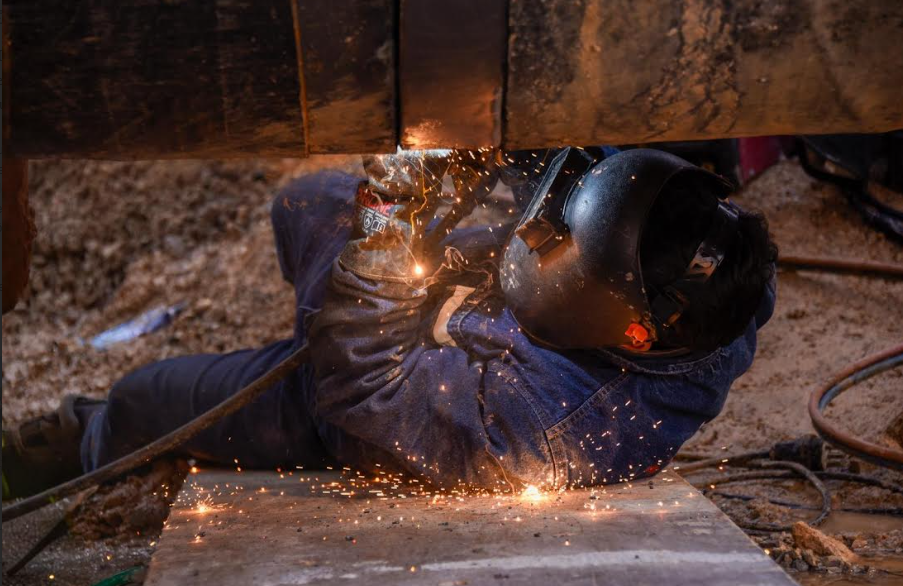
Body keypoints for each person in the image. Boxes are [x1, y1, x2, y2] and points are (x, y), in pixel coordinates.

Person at [2, 147, 777, 498]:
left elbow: (358, 383)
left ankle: (83, 439)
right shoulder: (722, 252)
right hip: (456, 321)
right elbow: (596, 171)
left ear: (630, 332)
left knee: (143, 397)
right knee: (305, 202)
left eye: (560, 249)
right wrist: (487, 149)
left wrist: (386, 230)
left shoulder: (551, 426)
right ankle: (319, 312)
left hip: (367, 406)